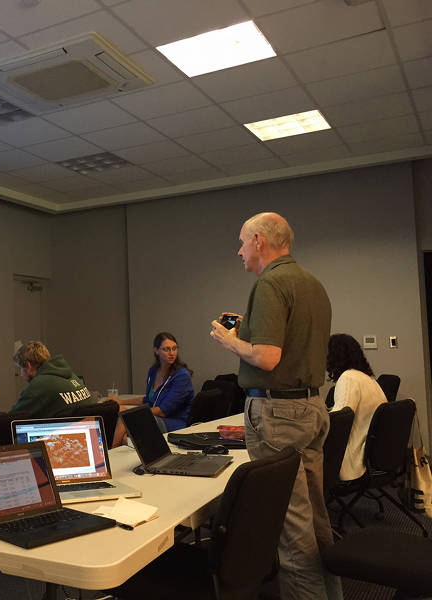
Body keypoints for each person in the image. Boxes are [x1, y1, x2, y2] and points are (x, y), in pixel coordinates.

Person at [210, 212, 341, 600]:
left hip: (279, 415)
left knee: (291, 527)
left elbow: (266, 358)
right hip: (311, 408)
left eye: (241, 242)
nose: (239, 251)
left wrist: (229, 341)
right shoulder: (311, 284)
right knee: (315, 518)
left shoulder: (270, 283)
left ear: (259, 241)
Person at [326, 333, 387, 481]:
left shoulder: (348, 378)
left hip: (353, 455)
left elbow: (339, 421)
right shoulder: (368, 379)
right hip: (372, 450)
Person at [117, 332, 194, 431]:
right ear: (156, 351)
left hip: (174, 423)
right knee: (119, 422)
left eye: (174, 348)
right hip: (156, 417)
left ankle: (112, 446)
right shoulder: (153, 370)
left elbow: (163, 411)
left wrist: (128, 411)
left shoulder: (182, 376)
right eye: (166, 349)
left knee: (126, 418)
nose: (171, 353)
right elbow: (148, 400)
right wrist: (120, 402)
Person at [8, 341, 92, 418]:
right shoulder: (71, 375)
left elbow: (12, 418)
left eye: (20, 368)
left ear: (28, 366)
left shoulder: (40, 385)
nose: (21, 374)